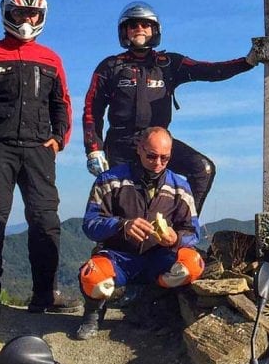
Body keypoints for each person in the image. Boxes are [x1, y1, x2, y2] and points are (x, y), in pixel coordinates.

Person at [0, 0, 76, 324]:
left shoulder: (51, 58)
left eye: (33, 13)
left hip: (39, 150)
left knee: (46, 222)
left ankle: (44, 294)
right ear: (7, 13)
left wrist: (58, 139)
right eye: (21, 13)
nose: (27, 19)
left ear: (42, 16)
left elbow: (61, 102)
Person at [82, 1, 256, 215]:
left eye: (145, 25)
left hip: (160, 142)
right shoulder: (110, 66)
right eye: (133, 25)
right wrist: (93, 149)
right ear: (124, 31)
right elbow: (92, 109)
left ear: (155, 30)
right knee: (124, 205)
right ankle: (112, 246)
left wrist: (247, 62)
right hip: (121, 144)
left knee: (203, 170)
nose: (139, 29)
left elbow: (210, 70)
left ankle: (179, 227)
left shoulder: (169, 63)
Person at [74, 127, 204, 340]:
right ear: (139, 150)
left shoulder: (180, 186)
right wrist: (121, 225)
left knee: (193, 264)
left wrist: (176, 238)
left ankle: (153, 298)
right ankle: (93, 312)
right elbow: (90, 223)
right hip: (119, 256)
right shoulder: (110, 180)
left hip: (159, 257)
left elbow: (193, 231)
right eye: (151, 156)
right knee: (92, 275)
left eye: (165, 158)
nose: (158, 163)